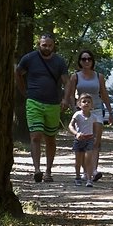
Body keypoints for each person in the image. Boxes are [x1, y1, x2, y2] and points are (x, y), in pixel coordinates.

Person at [16, 33, 70, 183]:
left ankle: (48, 171)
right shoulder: (29, 58)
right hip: (34, 102)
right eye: (43, 45)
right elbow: (18, 73)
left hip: (53, 104)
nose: (46, 47)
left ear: (54, 45)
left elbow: (67, 82)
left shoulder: (59, 61)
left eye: (49, 45)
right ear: (39, 44)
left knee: (50, 138)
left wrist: (65, 99)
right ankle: (37, 170)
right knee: (35, 136)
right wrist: (24, 92)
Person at [62, 50, 113, 183]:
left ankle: (94, 170)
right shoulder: (76, 76)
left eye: (89, 59)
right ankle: (86, 172)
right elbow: (71, 93)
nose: (86, 61)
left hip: (96, 111)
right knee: (84, 141)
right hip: (82, 112)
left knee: (95, 141)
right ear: (80, 61)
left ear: (92, 61)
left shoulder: (99, 76)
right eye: (83, 59)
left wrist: (110, 112)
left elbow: (104, 93)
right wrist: (74, 108)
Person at [68, 94, 97, 187]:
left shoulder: (93, 117)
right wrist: (76, 134)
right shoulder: (77, 115)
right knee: (78, 160)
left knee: (88, 159)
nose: (86, 103)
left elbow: (95, 128)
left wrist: (95, 137)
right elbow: (70, 126)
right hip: (79, 140)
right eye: (84, 101)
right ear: (79, 104)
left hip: (89, 139)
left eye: (89, 102)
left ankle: (89, 179)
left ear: (92, 105)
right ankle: (77, 177)